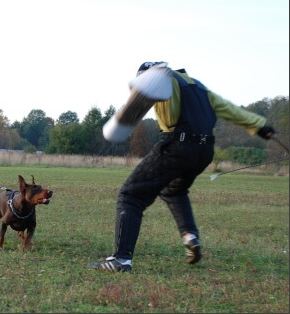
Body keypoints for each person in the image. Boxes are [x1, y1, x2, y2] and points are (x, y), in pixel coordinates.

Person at [88, 62, 276, 272]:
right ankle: (190, 236)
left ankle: (121, 260)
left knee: (131, 196)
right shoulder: (199, 88)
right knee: (174, 190)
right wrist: (260, 126)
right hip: (204, 151)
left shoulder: (161, 80)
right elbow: (230, 109)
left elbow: (139, 102)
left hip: (177, 146)